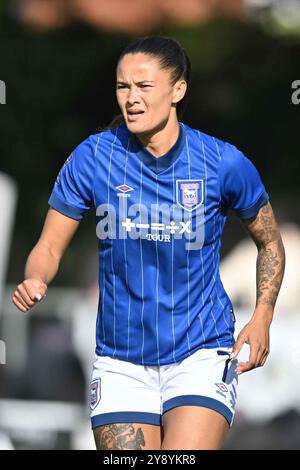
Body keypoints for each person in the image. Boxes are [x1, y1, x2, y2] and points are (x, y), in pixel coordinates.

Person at [12, 35, 285, 450]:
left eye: (144, 86)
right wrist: (35, 277)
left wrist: (263, 315)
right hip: (120, 360)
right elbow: (48, 247)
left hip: (201, 351)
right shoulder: (93, 158)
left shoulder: (223, 163)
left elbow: (270, 243)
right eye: (123, 87)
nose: (131, 99)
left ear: (178, 90)